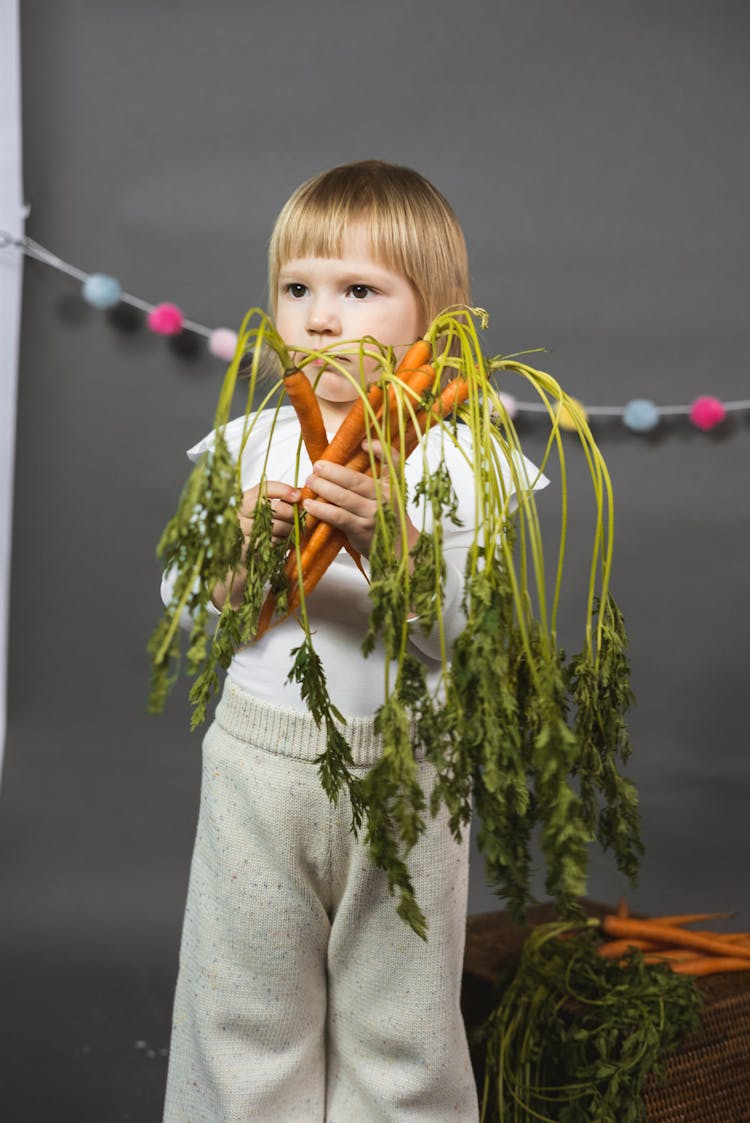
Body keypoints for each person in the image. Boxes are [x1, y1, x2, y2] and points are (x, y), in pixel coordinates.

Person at [162, 160, 544, 1122]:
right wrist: (231, 561)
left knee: (402, 1023)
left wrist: (399, 551)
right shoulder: (246, 445)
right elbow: (185, 612)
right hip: (259, 764)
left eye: (358, 291)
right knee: (240, 1011)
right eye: (298, 289)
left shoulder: (467, 456)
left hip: (411, 775)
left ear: (435, 318)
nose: (319, 319)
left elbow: (482, 637)